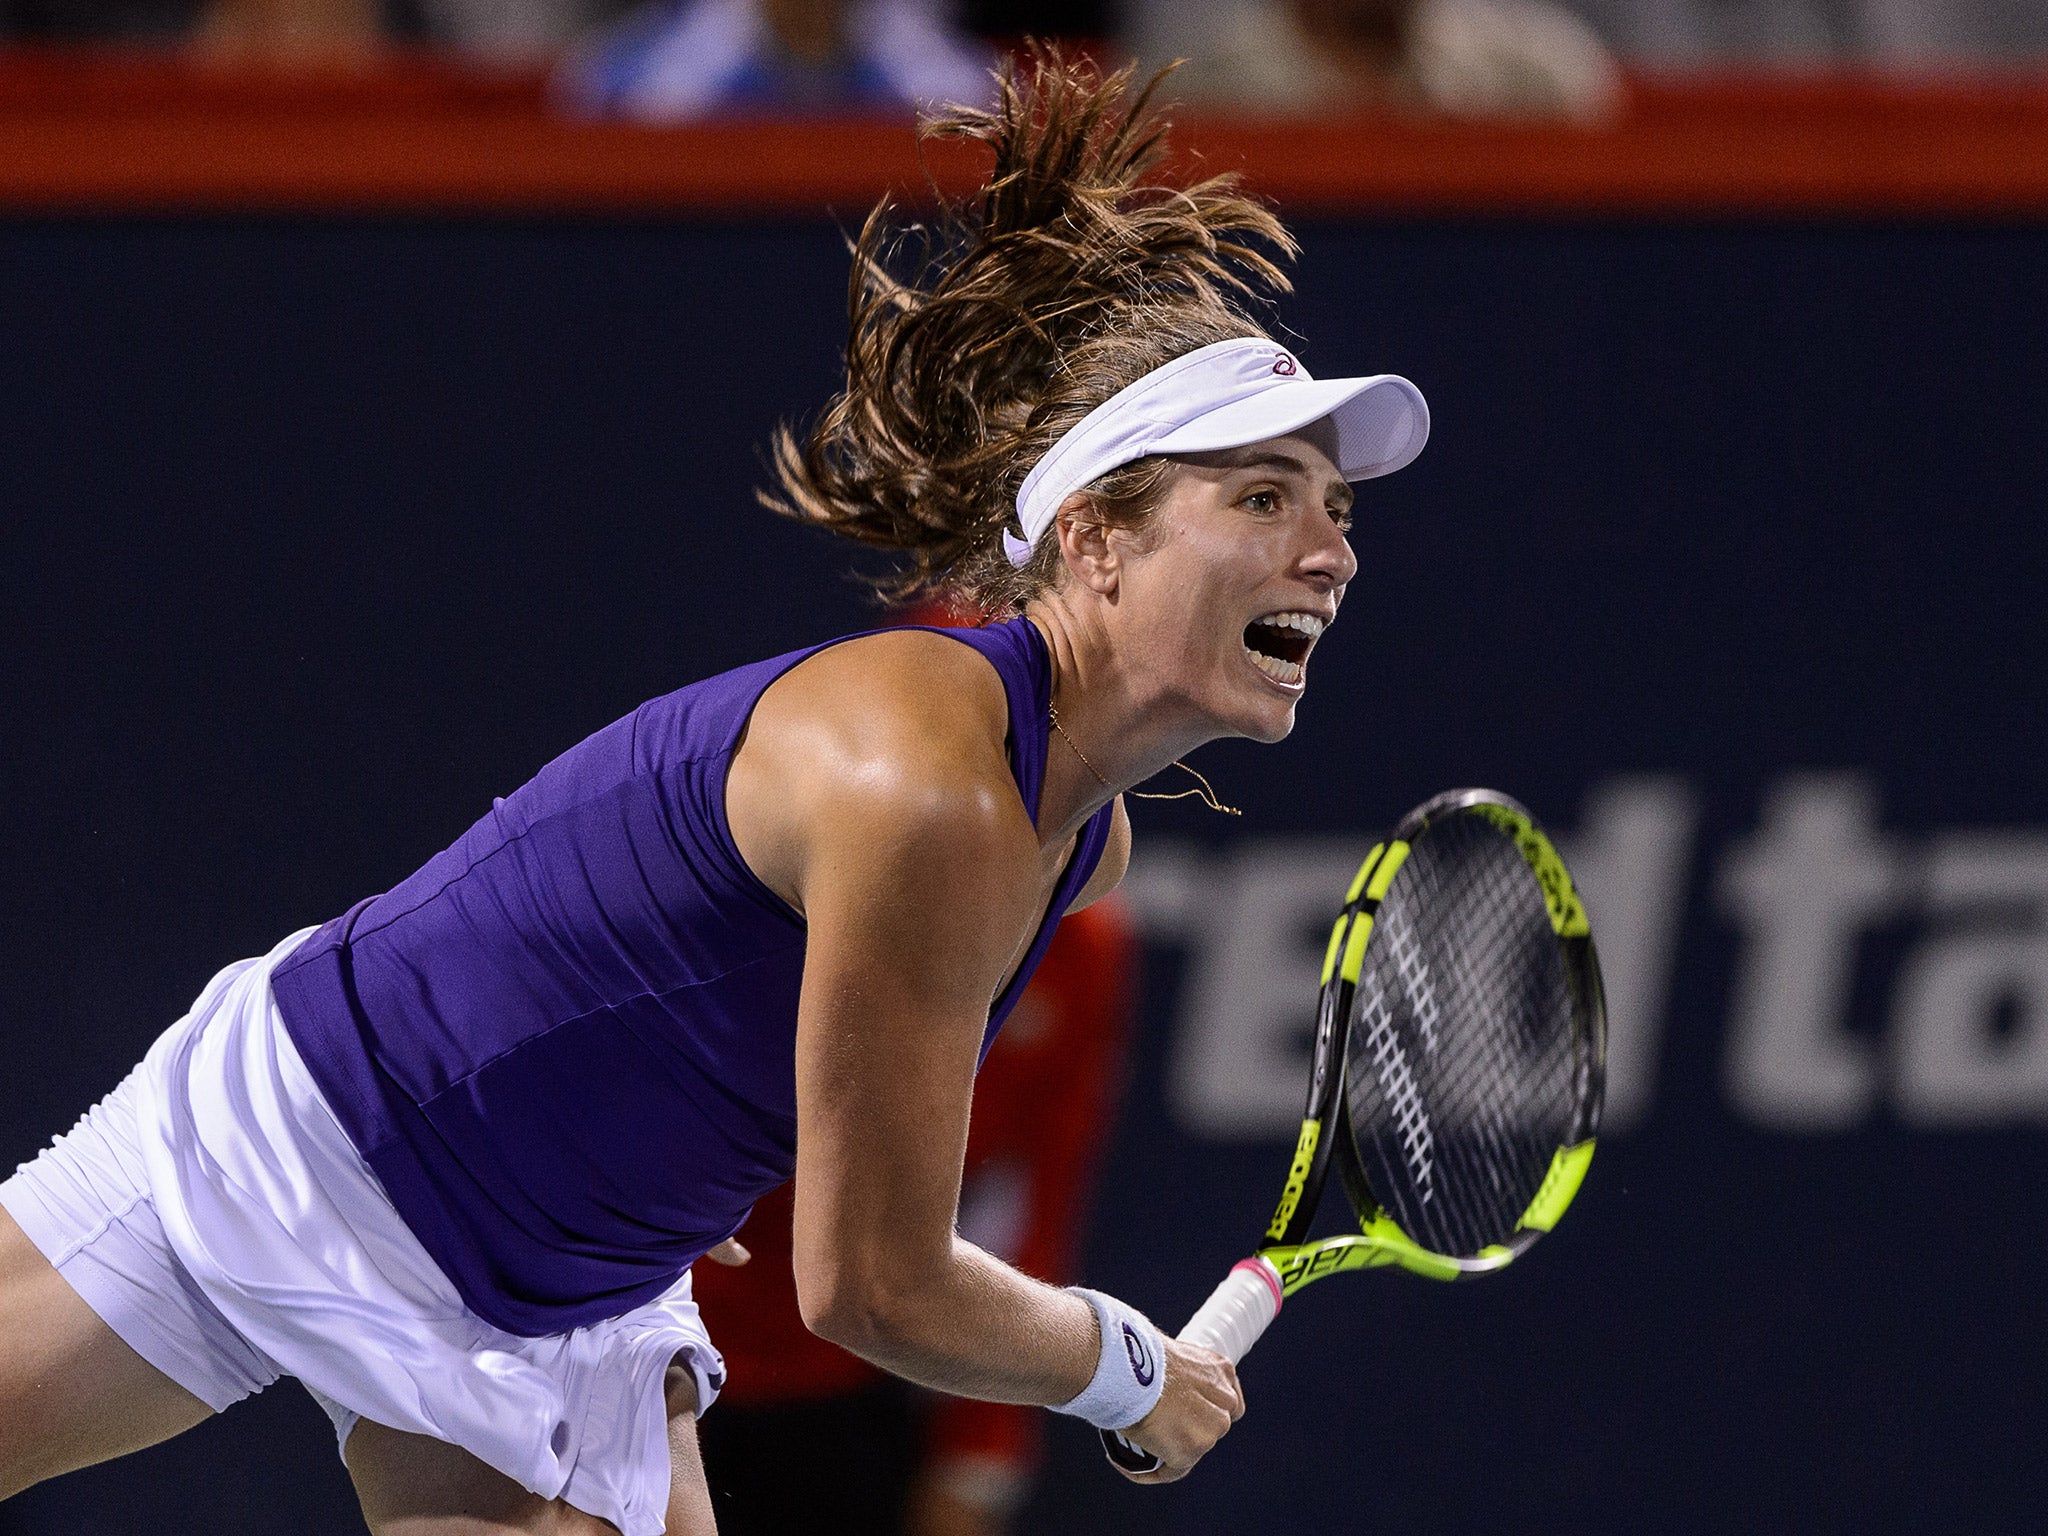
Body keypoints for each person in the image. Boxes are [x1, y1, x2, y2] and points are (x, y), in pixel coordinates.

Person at [0, 52, 1429, 1536]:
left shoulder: (1085, 839)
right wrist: (1123, 1369)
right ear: (1093, 542)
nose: (1327, 549)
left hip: (570, 1284)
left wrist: (667, 1148)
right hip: (318, 1140)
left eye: (1334, 509)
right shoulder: (926, 783)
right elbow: (874, 1286)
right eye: (1261, 498)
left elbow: (741, 1033)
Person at [693, 889, 1137, 1536]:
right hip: (652, 1341)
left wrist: (973, 1464)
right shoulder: (803, 878)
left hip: (851, 1393)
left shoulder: (1085, 945)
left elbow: (1033, 1210)